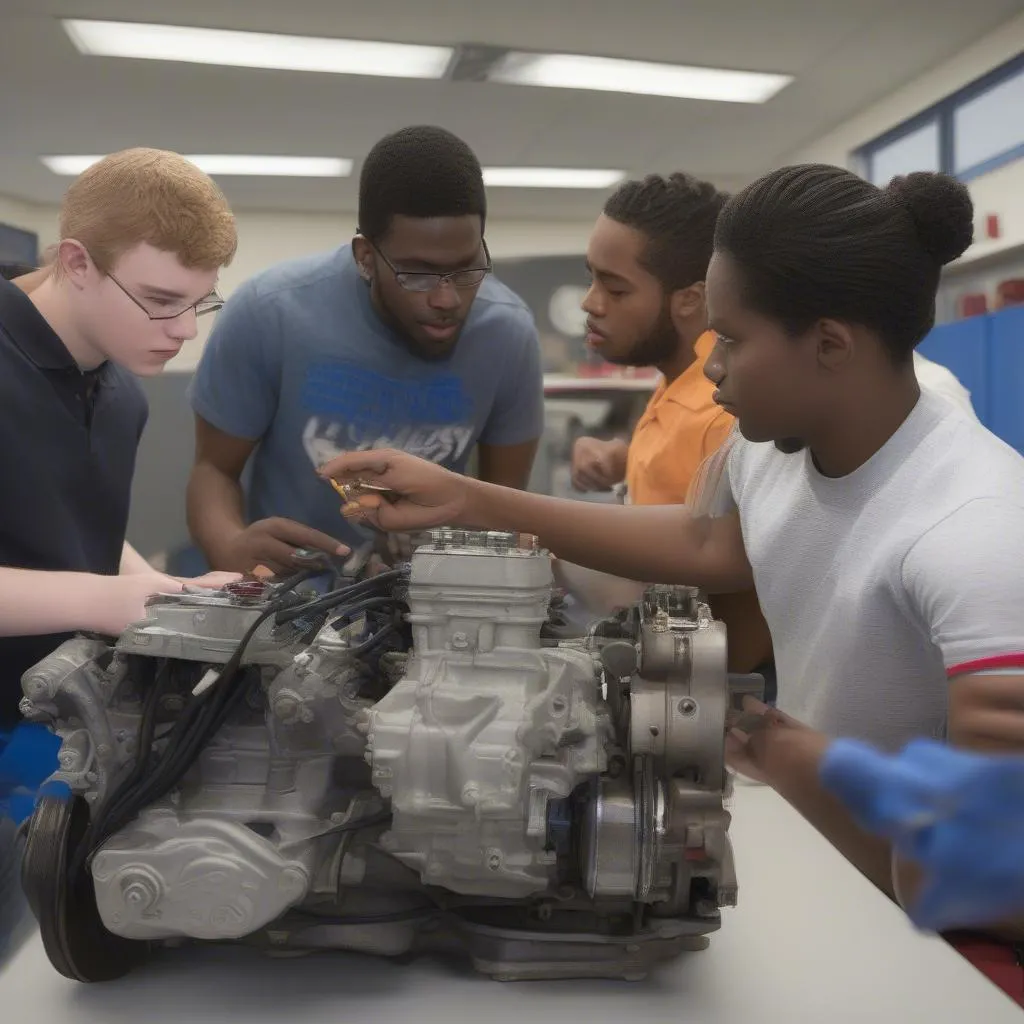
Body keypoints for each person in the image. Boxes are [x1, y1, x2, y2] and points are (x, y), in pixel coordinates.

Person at [322, 165, 1024, 1002]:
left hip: (945, 939)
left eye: (732, 339)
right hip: (830, 855)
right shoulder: (771, 447)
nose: (711, 366)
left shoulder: (976, 529)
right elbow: (710, 540)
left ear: (831, 343)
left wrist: (776, 745)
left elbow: (994, 880)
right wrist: (469, 498)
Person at [186, 125, 545, 577]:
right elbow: (213, 471)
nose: (446, 299)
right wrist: (230, 546)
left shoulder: (507, 333)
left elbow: (503, 503)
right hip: (289, 603)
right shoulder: (269, 312)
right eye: (418, 273)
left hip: (430, 606)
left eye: (466, 268)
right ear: (365, 257)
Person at [0, 147, 240, 730]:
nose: (185, 330)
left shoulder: (122, 391)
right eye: (160, 301)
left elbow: (71, 526)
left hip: (57, 718)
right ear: (78, 263)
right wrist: (108, 602)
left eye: (198, 302)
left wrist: (163, 590)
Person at [564, 172, 772, 677]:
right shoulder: (678, 382)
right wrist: (624, 458)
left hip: (708, 695)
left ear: (689, 300)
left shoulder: (716, 411)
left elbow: (719, 581)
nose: (590, 303)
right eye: (592, 277)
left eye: (615, 288)